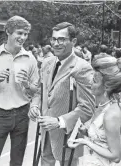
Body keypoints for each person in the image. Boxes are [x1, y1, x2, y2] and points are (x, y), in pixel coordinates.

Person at [29, 22, 95, 166]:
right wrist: (34, 106)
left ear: (73, 41)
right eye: (53, 39)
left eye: (62, 39)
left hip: (67, 136)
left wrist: (59, 122)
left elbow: (87, 107)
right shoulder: (47, 63)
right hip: (46, 133)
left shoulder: (82, 68)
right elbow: (41, 91)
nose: (56, 43)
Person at [0, 15, 39, 166]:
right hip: (0, 114)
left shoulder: (30, 58)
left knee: (17, 162)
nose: (23, 37)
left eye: (25, 34)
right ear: (8, 31)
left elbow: (35, 91)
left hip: (22, 114)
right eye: (19, 33)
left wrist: (26, 84)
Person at [69, 54, 121, 166]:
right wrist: (86, 132)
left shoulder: (111, 114)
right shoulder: (101, 105)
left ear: (106, 87)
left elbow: (116, 156)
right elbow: (104, 139)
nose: (90, 83)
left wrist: (85, 142)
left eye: (94, 81)